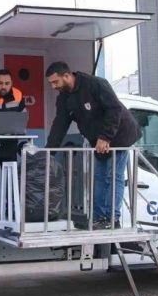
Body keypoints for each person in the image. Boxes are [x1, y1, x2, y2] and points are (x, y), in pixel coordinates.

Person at [45, 61, 141, 229]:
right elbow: (60, 124)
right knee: (99, 177)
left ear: (66, 76)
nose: (53, 86)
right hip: (98, 140)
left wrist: (105, 137)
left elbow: (114, 109)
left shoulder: (95, 84)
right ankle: (98, 219)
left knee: (114, 177)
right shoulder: (64, 98)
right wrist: (48, 151)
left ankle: (112, 219)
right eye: (51, 83)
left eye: (55, 82)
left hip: (119, 135)